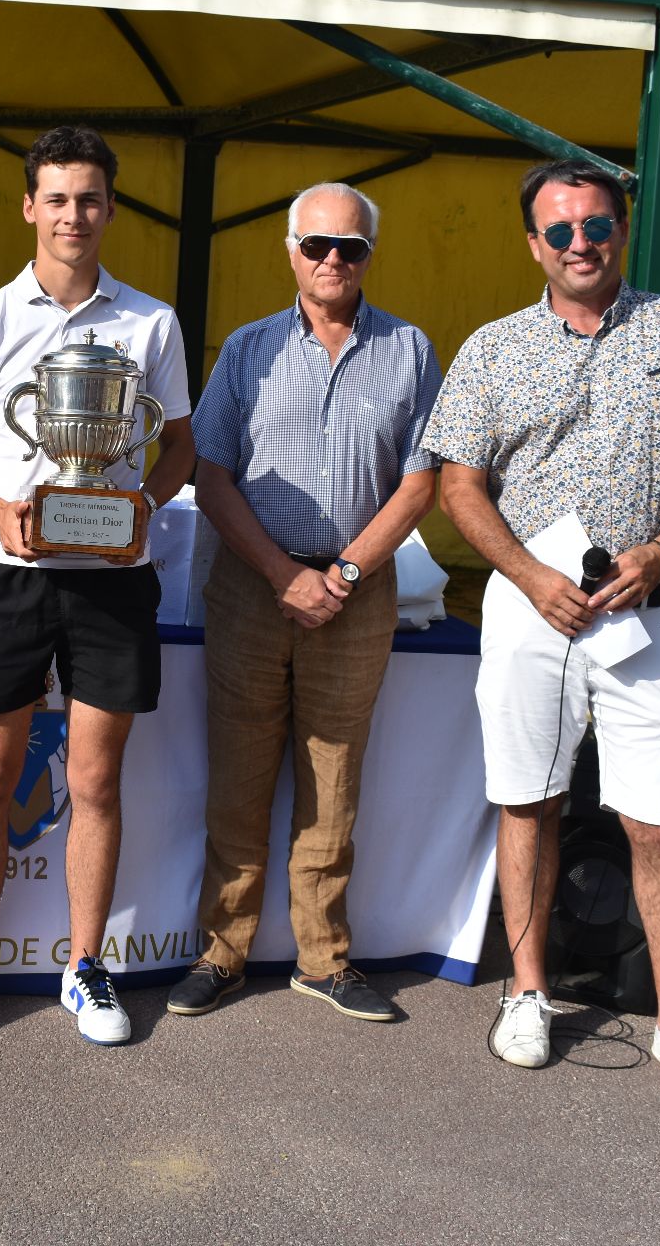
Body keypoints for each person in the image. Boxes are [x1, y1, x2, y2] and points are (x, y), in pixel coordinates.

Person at [423, 159, 660, 1103]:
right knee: (527, 804)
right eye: (562, 230)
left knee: (656, 823)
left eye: (598, 225)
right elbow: (459, 486)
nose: (582, 244)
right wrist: (530, 575)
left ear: (622, 229)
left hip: (645, 613)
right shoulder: (492, 348)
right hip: (531, 608)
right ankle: (527, 994)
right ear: (533, 243)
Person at [0, 125, 195, 1044]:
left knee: (96, 779)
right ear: (30, 207)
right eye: (58, 199)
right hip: (7, 573)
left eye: (90, 200)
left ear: (110, 209)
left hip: (114, 580)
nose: (74, 215)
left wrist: (142, 508)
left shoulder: (151, 322)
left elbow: (180, 445)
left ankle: (86, 967)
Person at [170, 182, 441, 1023]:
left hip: (358, 593)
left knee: (334, 778)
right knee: (239, 775)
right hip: (253, 588)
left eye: (349, 247)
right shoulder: (246, 349)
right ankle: (221, 953)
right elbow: (210, 474)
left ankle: (324, 960)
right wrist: (283, 574)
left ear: (369, 255)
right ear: (291, 251)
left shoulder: (410, 349)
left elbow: (422, 480)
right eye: (317, 245)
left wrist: (346, 574)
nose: (333, 259)